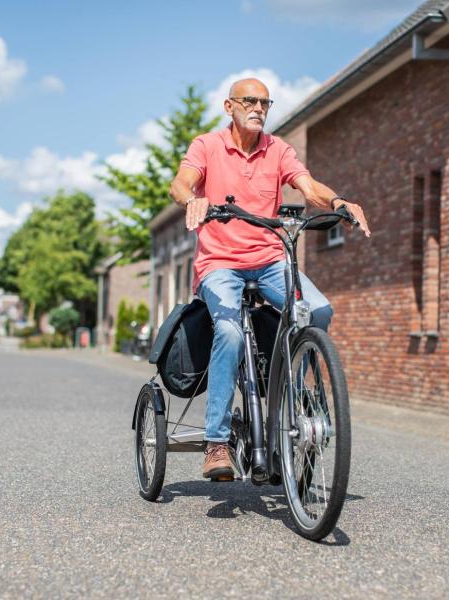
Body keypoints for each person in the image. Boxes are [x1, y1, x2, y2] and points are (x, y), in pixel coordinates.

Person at [169, 78, 370, 481]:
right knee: (227, 332)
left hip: (268, 259)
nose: (259, 108)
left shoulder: (278, 150)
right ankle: (216, 442)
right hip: (220, 263)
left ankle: (287, 401)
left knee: (316, 311)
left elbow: (307, 187)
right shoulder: (206, 145)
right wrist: (194, 200)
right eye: (250, 101)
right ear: (229, 106)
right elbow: (181, 182)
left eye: (265, 102)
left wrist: (337, 202)